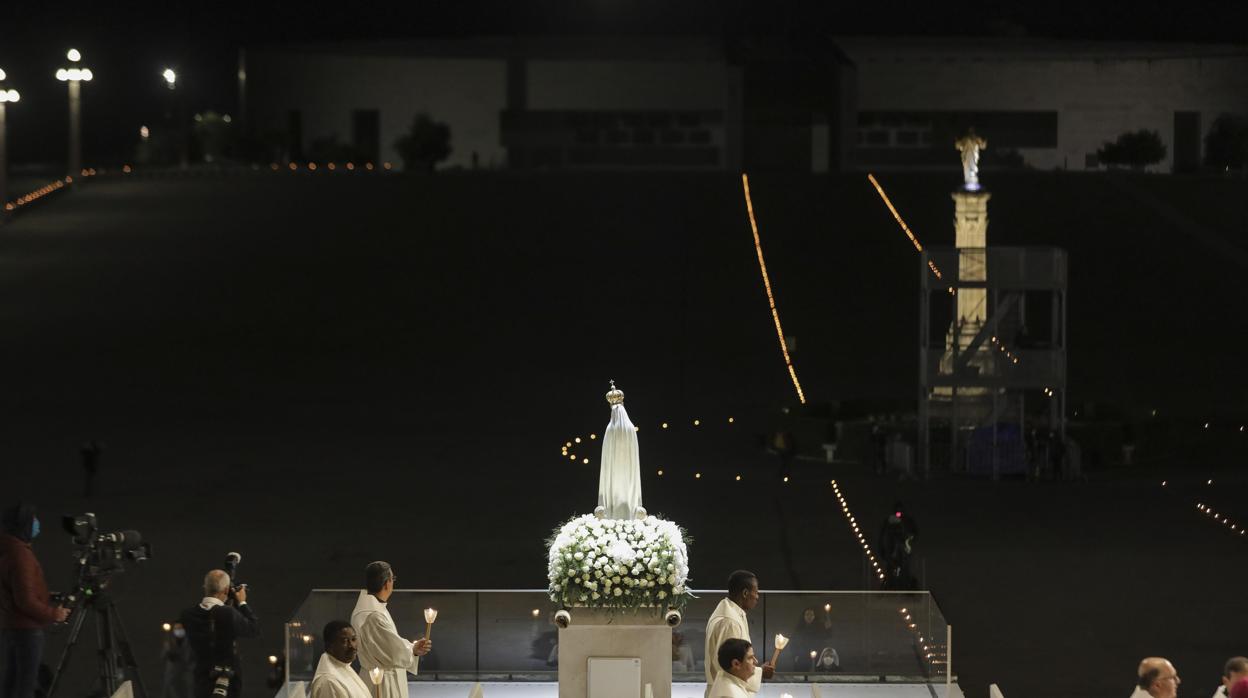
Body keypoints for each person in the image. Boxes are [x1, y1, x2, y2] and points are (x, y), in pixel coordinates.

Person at [0, 505, 71, 698]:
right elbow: (25, 601)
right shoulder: (21, 555)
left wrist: (45, 595)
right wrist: (54, 614)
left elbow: (17, 591)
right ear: (23, 525)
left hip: (11, 628)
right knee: (26, 685)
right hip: (27, 631)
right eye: (34, 520)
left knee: (11, 682)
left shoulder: (7, 549)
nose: (37, 524)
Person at [350, 562, 431, 698]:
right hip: (383, 683)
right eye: (393, 579)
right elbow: (393, 652)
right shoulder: (373, 615)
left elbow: (388, 644)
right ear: (387, 583)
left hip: (375, 677)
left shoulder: (367, 609)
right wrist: (413, 650)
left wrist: (413, 648)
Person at [180, 570, 260, 698]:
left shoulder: (187, 615)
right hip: (227, 682)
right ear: (226, 590)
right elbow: (253, 629)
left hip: (200, 679)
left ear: (205, 587)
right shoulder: (227, 613)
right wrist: (242, 603)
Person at [703, 571, 772, 698]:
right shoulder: (729, 622)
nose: (757, 597)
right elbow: (728, 666)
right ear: (745, 593)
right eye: (756, 592)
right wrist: (760, 672)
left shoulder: (732, 613)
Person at [310, 621, 371, 698]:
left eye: (353, 639)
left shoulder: (344, 667)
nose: (352, 646)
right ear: (329, 646)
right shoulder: (328, 681)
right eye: (345, 641)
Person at [878, 502, 918, 589]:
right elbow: (883, 536)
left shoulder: (907, 521)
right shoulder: (889, 521)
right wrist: (883, 550)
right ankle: (890, 586)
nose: (898, 513)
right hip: (892, 551)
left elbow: (914, 533)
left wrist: (909, 539)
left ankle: (906, 586)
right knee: (891, 570)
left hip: (903, 550)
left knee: (904, 569)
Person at [161, 622, 195, 698]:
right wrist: (168, 653)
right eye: (177, 629)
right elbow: (163, 657)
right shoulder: (169, 641)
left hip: (186, 673)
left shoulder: (190, 642)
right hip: (172, 674)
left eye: (180, 628)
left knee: (188, 692)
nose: (179, 630)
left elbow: (192, 657)